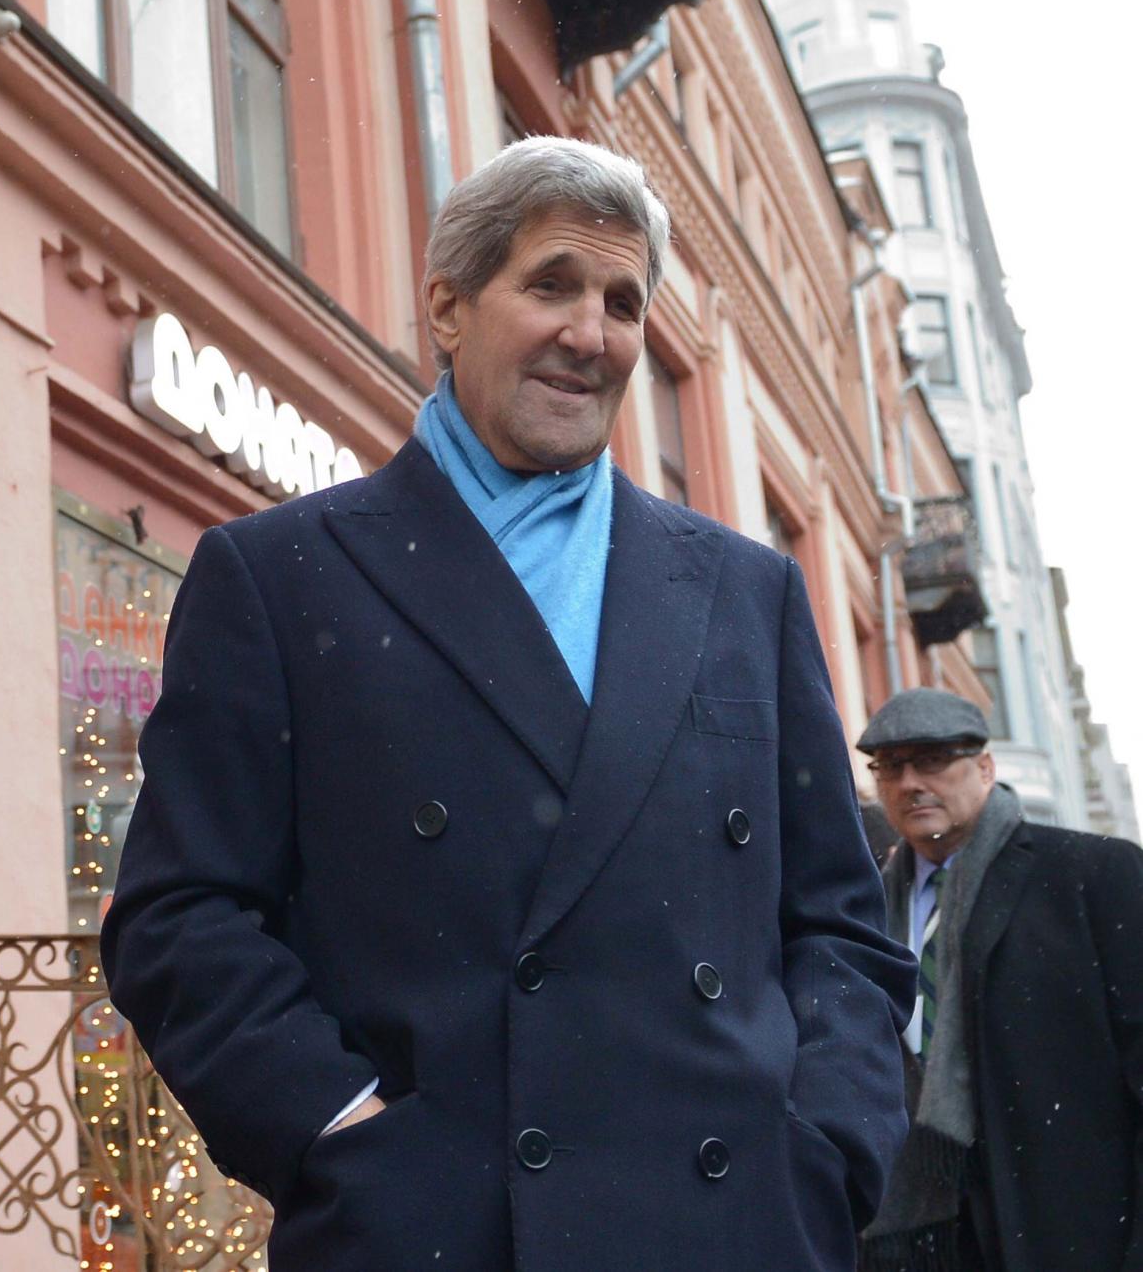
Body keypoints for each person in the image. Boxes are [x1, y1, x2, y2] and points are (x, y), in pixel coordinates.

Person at [101, 136, 913, 1272]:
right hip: (441, 1234)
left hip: (739, 1225)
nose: (592, 336)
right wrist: (339, 1132)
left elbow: (836, 925)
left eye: (623, 302)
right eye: (551, 286)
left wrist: (827, 1151)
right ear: (446, 306)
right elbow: (179, 915)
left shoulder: (744, 589)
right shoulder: (282, 574)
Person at [855, 688, 1143, 1270]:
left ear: (984, 768)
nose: (910, 782)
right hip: (915, 1235)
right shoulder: (861, 911)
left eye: (932, 760)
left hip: (1066, 1224)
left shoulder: (1092, 874)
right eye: (890, 766)